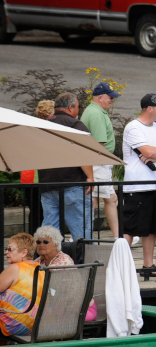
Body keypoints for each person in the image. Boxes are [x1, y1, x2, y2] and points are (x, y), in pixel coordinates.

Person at [122, 93, 156, 277]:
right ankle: (120, 268)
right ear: (149, 108)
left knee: (152, 228)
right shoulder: (133, 127)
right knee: (130, 228)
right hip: (138, 186)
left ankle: (148, 266)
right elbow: (147, 151)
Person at [39, 92, 94, 240]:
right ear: (70, 107)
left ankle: (50, 262)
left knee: (49, 234)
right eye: (77, 107)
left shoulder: (42, 125)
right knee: (81, 231)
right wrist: (90, 176)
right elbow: (84, 154)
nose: (78, 111)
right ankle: (83, 262)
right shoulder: (75, 125)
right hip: (73, 184)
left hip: (47, 185)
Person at [82, 82, 120, 237]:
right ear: (100, 97)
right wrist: (105, 161)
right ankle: (119, 237)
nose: (112, 100)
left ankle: (83, 235)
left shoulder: (94, 111)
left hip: (96, 161)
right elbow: (99, 144)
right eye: (110, 97)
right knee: (110, 198)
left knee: (95, 199)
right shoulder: (96, 114)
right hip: (99, 161)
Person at [0, 233, 42, 338]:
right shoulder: (41, 268)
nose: (6, 252)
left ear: (24, 252)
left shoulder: (15, 268)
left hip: (14, 325)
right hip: (38, 325)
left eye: (10, 249)